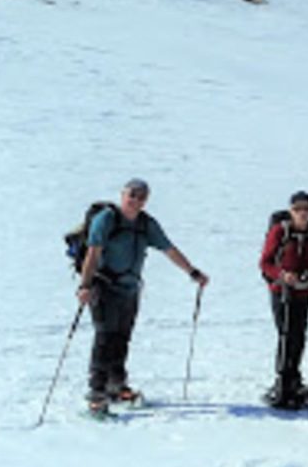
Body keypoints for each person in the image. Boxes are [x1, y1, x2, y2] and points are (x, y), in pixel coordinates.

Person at [75, 178, 209, 416]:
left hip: (130, 289)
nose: (136, 200)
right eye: (132, 195)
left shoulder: (146, 224)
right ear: (122, 195)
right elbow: (93, 254)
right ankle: (97, 392)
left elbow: (168, 249)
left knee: (122, 337)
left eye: (142, 197)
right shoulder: (106, 219)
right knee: (105, 337)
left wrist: (192, 272)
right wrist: (85, 286)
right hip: (103, 287)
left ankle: (116, 385)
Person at [259, 191, 308, 410]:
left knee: (299, 335)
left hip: (304, 292)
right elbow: (265, 262)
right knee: (286, 334)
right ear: (291, 210)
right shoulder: (280, 231)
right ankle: (283, 382)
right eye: (298, 209)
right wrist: (282, 274)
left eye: (306, 209)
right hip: (281, 291)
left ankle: (294, 379)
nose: (302, 213)